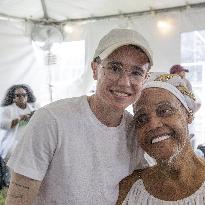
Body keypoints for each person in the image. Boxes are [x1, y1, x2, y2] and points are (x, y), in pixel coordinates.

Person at [5, 28, 153, 205]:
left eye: (136, 72)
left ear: (145, 79)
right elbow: (18, 198)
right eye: (115, 68)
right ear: (95, 69)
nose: (124, 82)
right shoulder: (52, 119)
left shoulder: (134, 132)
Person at [117, 72, 205, 205]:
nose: (153, 124)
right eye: (141, 118)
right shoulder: (129, 188)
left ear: (188, 114)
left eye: (164, 111)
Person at [0, 84, 38, 186]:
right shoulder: (7, 110)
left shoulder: (34, 107)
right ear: (13, 98)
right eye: (18, 95)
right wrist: (19, 119)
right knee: (13, 155)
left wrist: (34, 117)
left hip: (31, 140)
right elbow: (2, 124)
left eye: (24, 95)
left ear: (27, 96)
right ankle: (11, 183)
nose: (21, 97)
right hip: (14, 142)